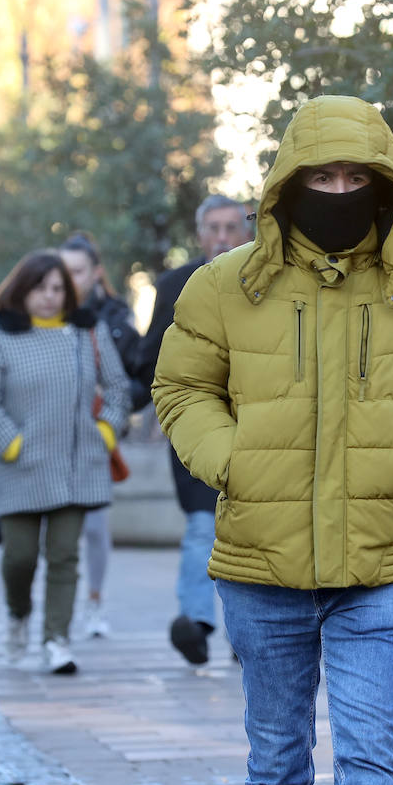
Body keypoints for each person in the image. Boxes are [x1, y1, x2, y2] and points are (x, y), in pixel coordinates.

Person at [152, 95, 393, 785]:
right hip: (260, 563)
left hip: (379, 560)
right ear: (286, 182)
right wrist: (232, 460)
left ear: (386, 185)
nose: (339, 192)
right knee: (276, 761)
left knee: (370, 755)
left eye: (355, 177)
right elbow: (182, 385)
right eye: (322, 176)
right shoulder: (222, 287)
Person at [0, 251, 131, 674]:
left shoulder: (84, 331)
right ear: (22, 289)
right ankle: (17, 614)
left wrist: (106, 433)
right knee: (19, 557)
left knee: (63, 556)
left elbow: (116, 389)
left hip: (77, 466)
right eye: (41, 288)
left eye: (58, 289)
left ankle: (56, 639)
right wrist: (13, 445)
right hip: (21, 466)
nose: (50, 297)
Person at [136, 193, 253, 664]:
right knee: (203, 525)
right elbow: (152, 359)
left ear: (246, 232)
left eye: (231, 227)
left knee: (251, 530)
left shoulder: (268, 279)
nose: (222, 237)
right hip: (197, 428)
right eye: (213, 228)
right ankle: (198, 622)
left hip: (259, 428)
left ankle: (245, 632)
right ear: (200, 233)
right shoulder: (174, 285)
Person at [58, 232, 142, 636]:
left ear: (96, 273)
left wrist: (113, 421)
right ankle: (57, 604)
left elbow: (138, 379)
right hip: (49, 435)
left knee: (93, 525)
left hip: (95, 437)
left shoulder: (116, 319)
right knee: (53, 526)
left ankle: (93, 601)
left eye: (76, 271)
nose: (68, 279)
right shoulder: (41, 310)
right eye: (63, 270)